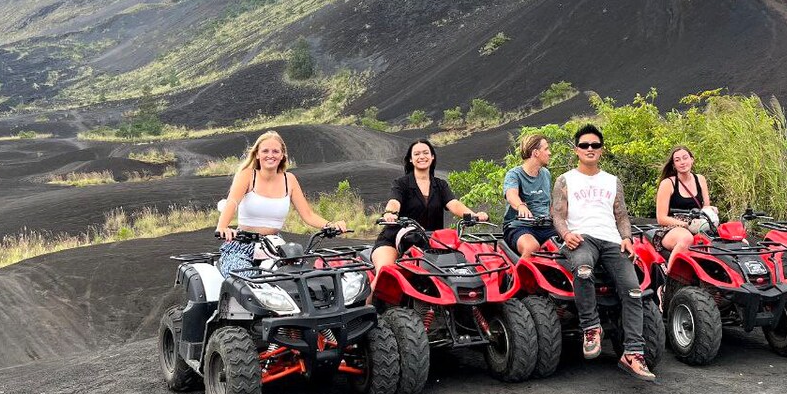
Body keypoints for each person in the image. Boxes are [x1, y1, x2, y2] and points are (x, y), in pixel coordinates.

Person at [550, 124, 655, 382]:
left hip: (611, 241)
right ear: (576, 150)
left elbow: (621, 215)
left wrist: (628, 239)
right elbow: (557, 214)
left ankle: (633, 353)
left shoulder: (612, 181)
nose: (589, 149)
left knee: (633, 290)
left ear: (601, 150)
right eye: (584, 145)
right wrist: (565, 235)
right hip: (581, 238)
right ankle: (591, 328)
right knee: (584, 270)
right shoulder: (565, 179)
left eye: (594, 145)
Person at [214, 130, 346, 274]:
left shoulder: (289, 180)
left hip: (274, 246)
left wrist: (330, 225)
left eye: (275, 151)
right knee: (245, 281)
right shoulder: (247, 175)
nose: (270, 155)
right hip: (243, 244)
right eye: (265, 151)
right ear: (257, 154)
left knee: (299, 277)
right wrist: (222, 227)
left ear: (282, 155)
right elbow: (232, 202)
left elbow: (308, 214)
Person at [372, 138, 489, 279]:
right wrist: (390, 213)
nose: (422, 156)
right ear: (410, 159)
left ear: (432, 157)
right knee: (385, 272)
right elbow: (394, 201)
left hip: (430, 244)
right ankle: (369, 301)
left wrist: (473, 215)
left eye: (425, 153)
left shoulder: (440, 185)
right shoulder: (401, 183)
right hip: (395, 240)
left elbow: (454, 204)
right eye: (416, 154)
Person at [653, 145, 713, 266]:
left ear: (692, 159)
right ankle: (669, 280)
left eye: (685, 158)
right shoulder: (668, 183)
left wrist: (711, 210)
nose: (682, 162)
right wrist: (686, 225)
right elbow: (661, 218)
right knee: (686, 238)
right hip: (673, 227)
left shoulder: (700, 179)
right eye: (677, 160)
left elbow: (706, 208)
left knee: (734, 238)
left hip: (699, 224)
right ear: (674, 165)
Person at [502, 132, 555, 257]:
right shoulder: (514, 174)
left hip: (546, 226)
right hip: (519, 227)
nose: (549, 153)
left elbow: (548, 204)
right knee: (531, 247)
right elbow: (511, 194)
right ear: (536, 152)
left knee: (569, 244)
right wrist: (521, 206)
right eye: (546, 149)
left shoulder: (546, 174)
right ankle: (519, 276)